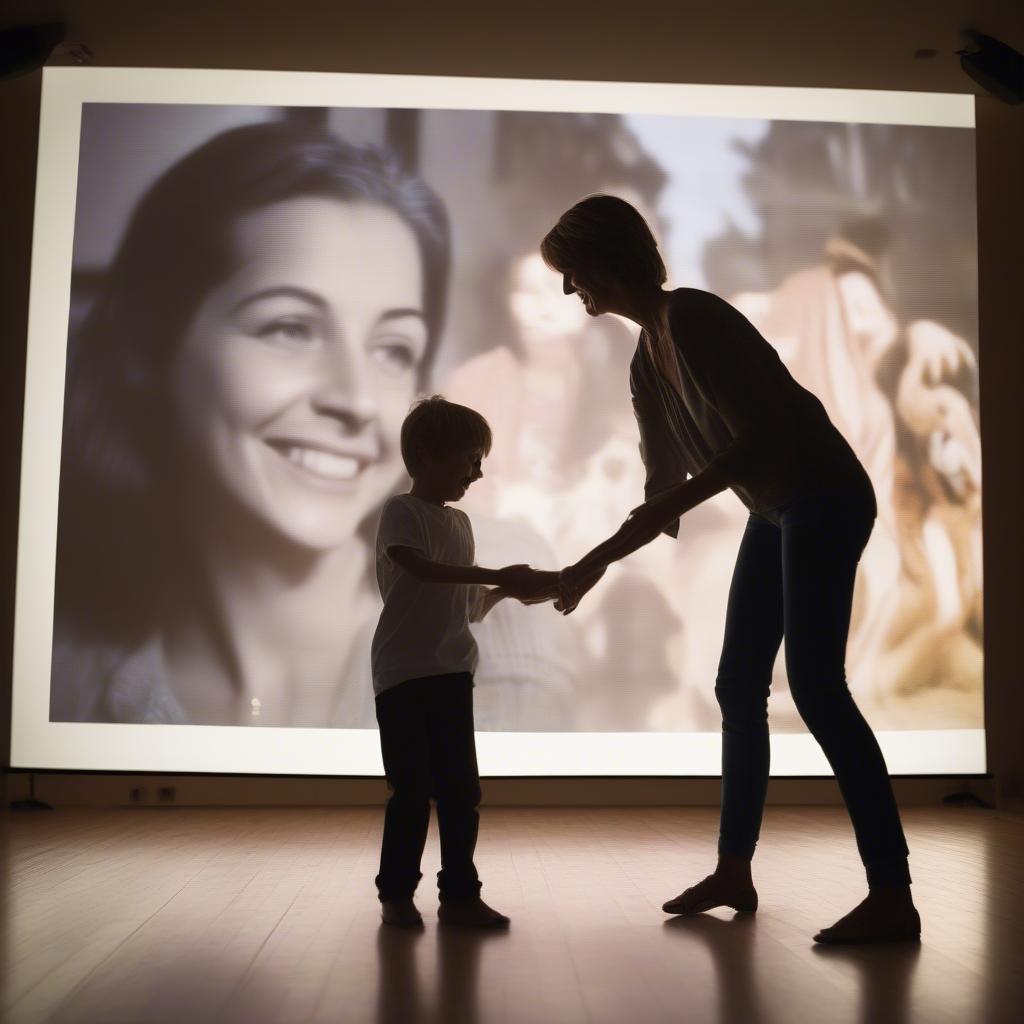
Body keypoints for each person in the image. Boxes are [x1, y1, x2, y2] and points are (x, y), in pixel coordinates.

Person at [540, 194, 920, 944]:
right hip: (776, 509)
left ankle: (892, 892)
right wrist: (581, 568)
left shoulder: (695, 317)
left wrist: (595, 559)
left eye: (572, 270)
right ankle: (734, 871)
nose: (567, 289)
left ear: (606, 261)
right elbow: (662, 495)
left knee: (816, 689)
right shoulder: (647, 355)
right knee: (736, 686)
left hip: (823, 495)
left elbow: (760, 443)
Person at [51, 118, 452, 727]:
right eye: (290, 328)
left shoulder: (479, 605)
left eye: (395, 349)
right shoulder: (61, 675)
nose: (358, 401)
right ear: (149, 345)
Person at [371, 396, 557, 927]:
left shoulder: (461, 524)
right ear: (426, 457)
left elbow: (468, 605)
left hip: (453, 673)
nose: (478, 472)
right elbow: (420, 570)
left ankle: (459, 894)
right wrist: (500, 575)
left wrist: (516, 589)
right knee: (410, 792)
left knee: (460, 791)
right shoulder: (400, 512)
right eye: (470, 459)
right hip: (403, 675)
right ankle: (397, 896)